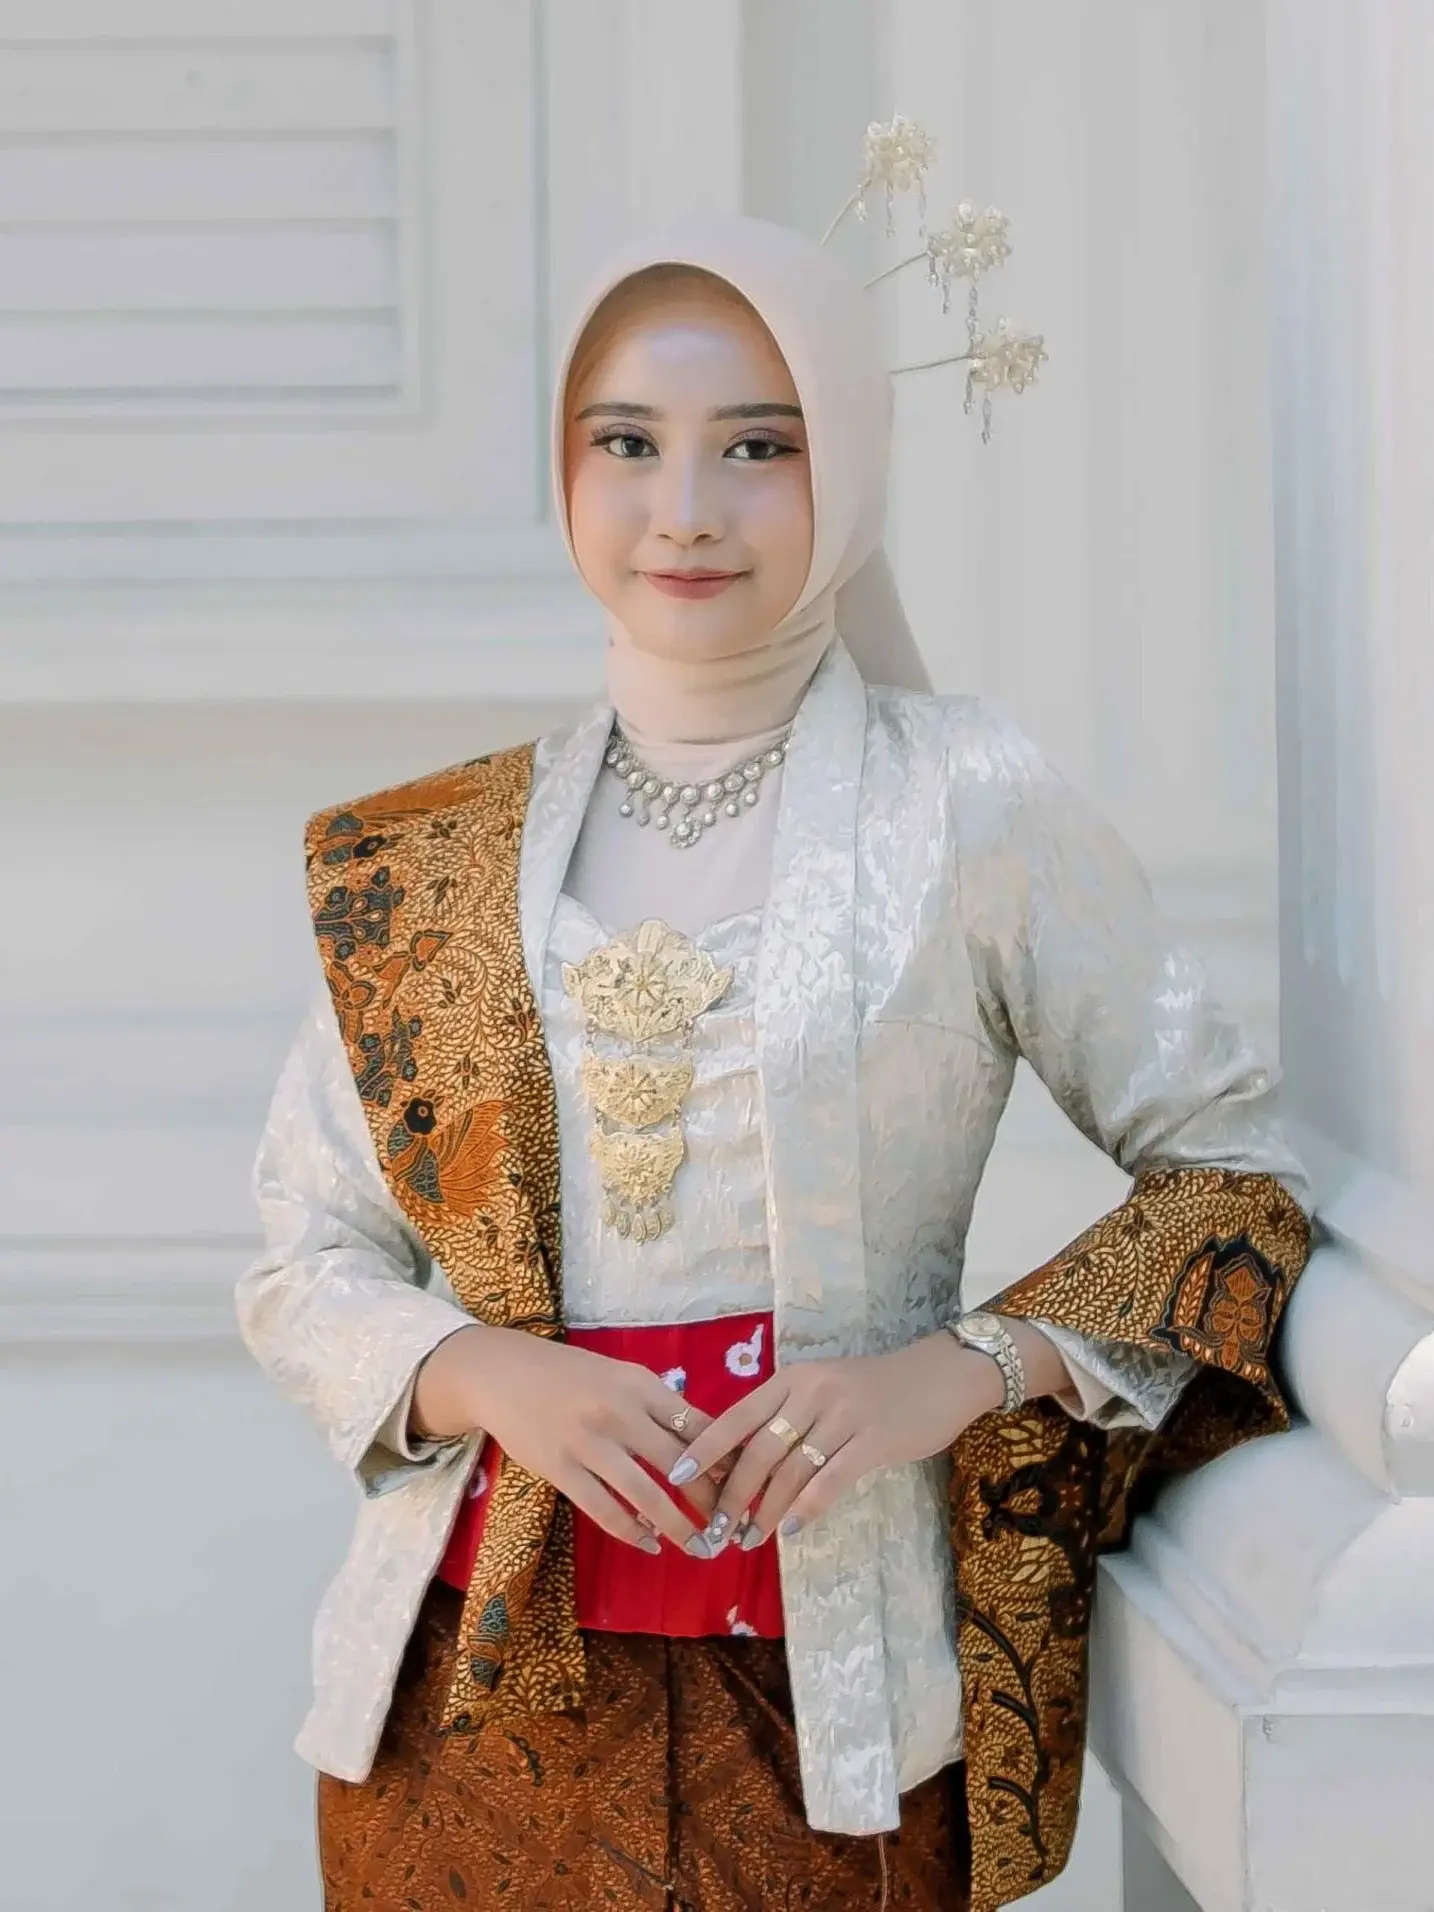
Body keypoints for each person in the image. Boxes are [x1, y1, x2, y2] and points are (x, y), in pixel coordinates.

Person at [237, 214, 1311, 1912]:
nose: (683, 508)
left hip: (834, 1715)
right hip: (465, 1711)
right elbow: (303, 1259)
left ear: (852, 464)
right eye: (626, 444)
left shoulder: (962, 805)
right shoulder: (434, 856)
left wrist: (960, 1369)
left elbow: (1235, 1186)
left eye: (759, 445)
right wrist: (485, 1373)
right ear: (562, 468)